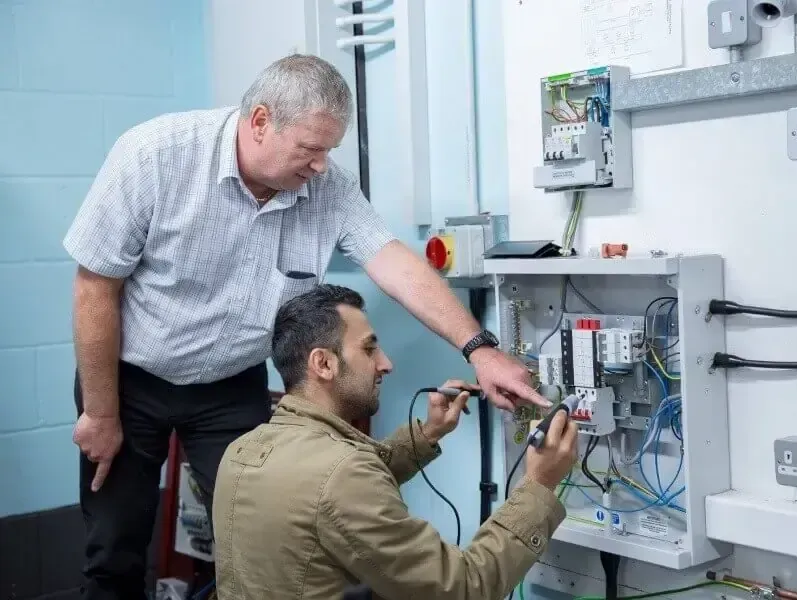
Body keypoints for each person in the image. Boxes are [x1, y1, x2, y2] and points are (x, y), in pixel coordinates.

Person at [62, 54, 549, 599]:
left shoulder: (326, 187)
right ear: (261, 121)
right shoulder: (155, 155)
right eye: (311, 149)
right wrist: (100, 412)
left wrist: (479, 350)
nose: (321, 167)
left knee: (261, 540)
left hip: (231, 384)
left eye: (329, 151)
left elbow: (394, 263)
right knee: (113, 551)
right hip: (132, 382)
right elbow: (94, 287)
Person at [212, 284, 578, 600]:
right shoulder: (343, 476)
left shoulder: (244, 451)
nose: (386, 364)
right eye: (370, 349)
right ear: (323, 364)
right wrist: (539, 485)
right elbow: (465, 588)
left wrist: (428, 433)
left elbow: (326, 498)